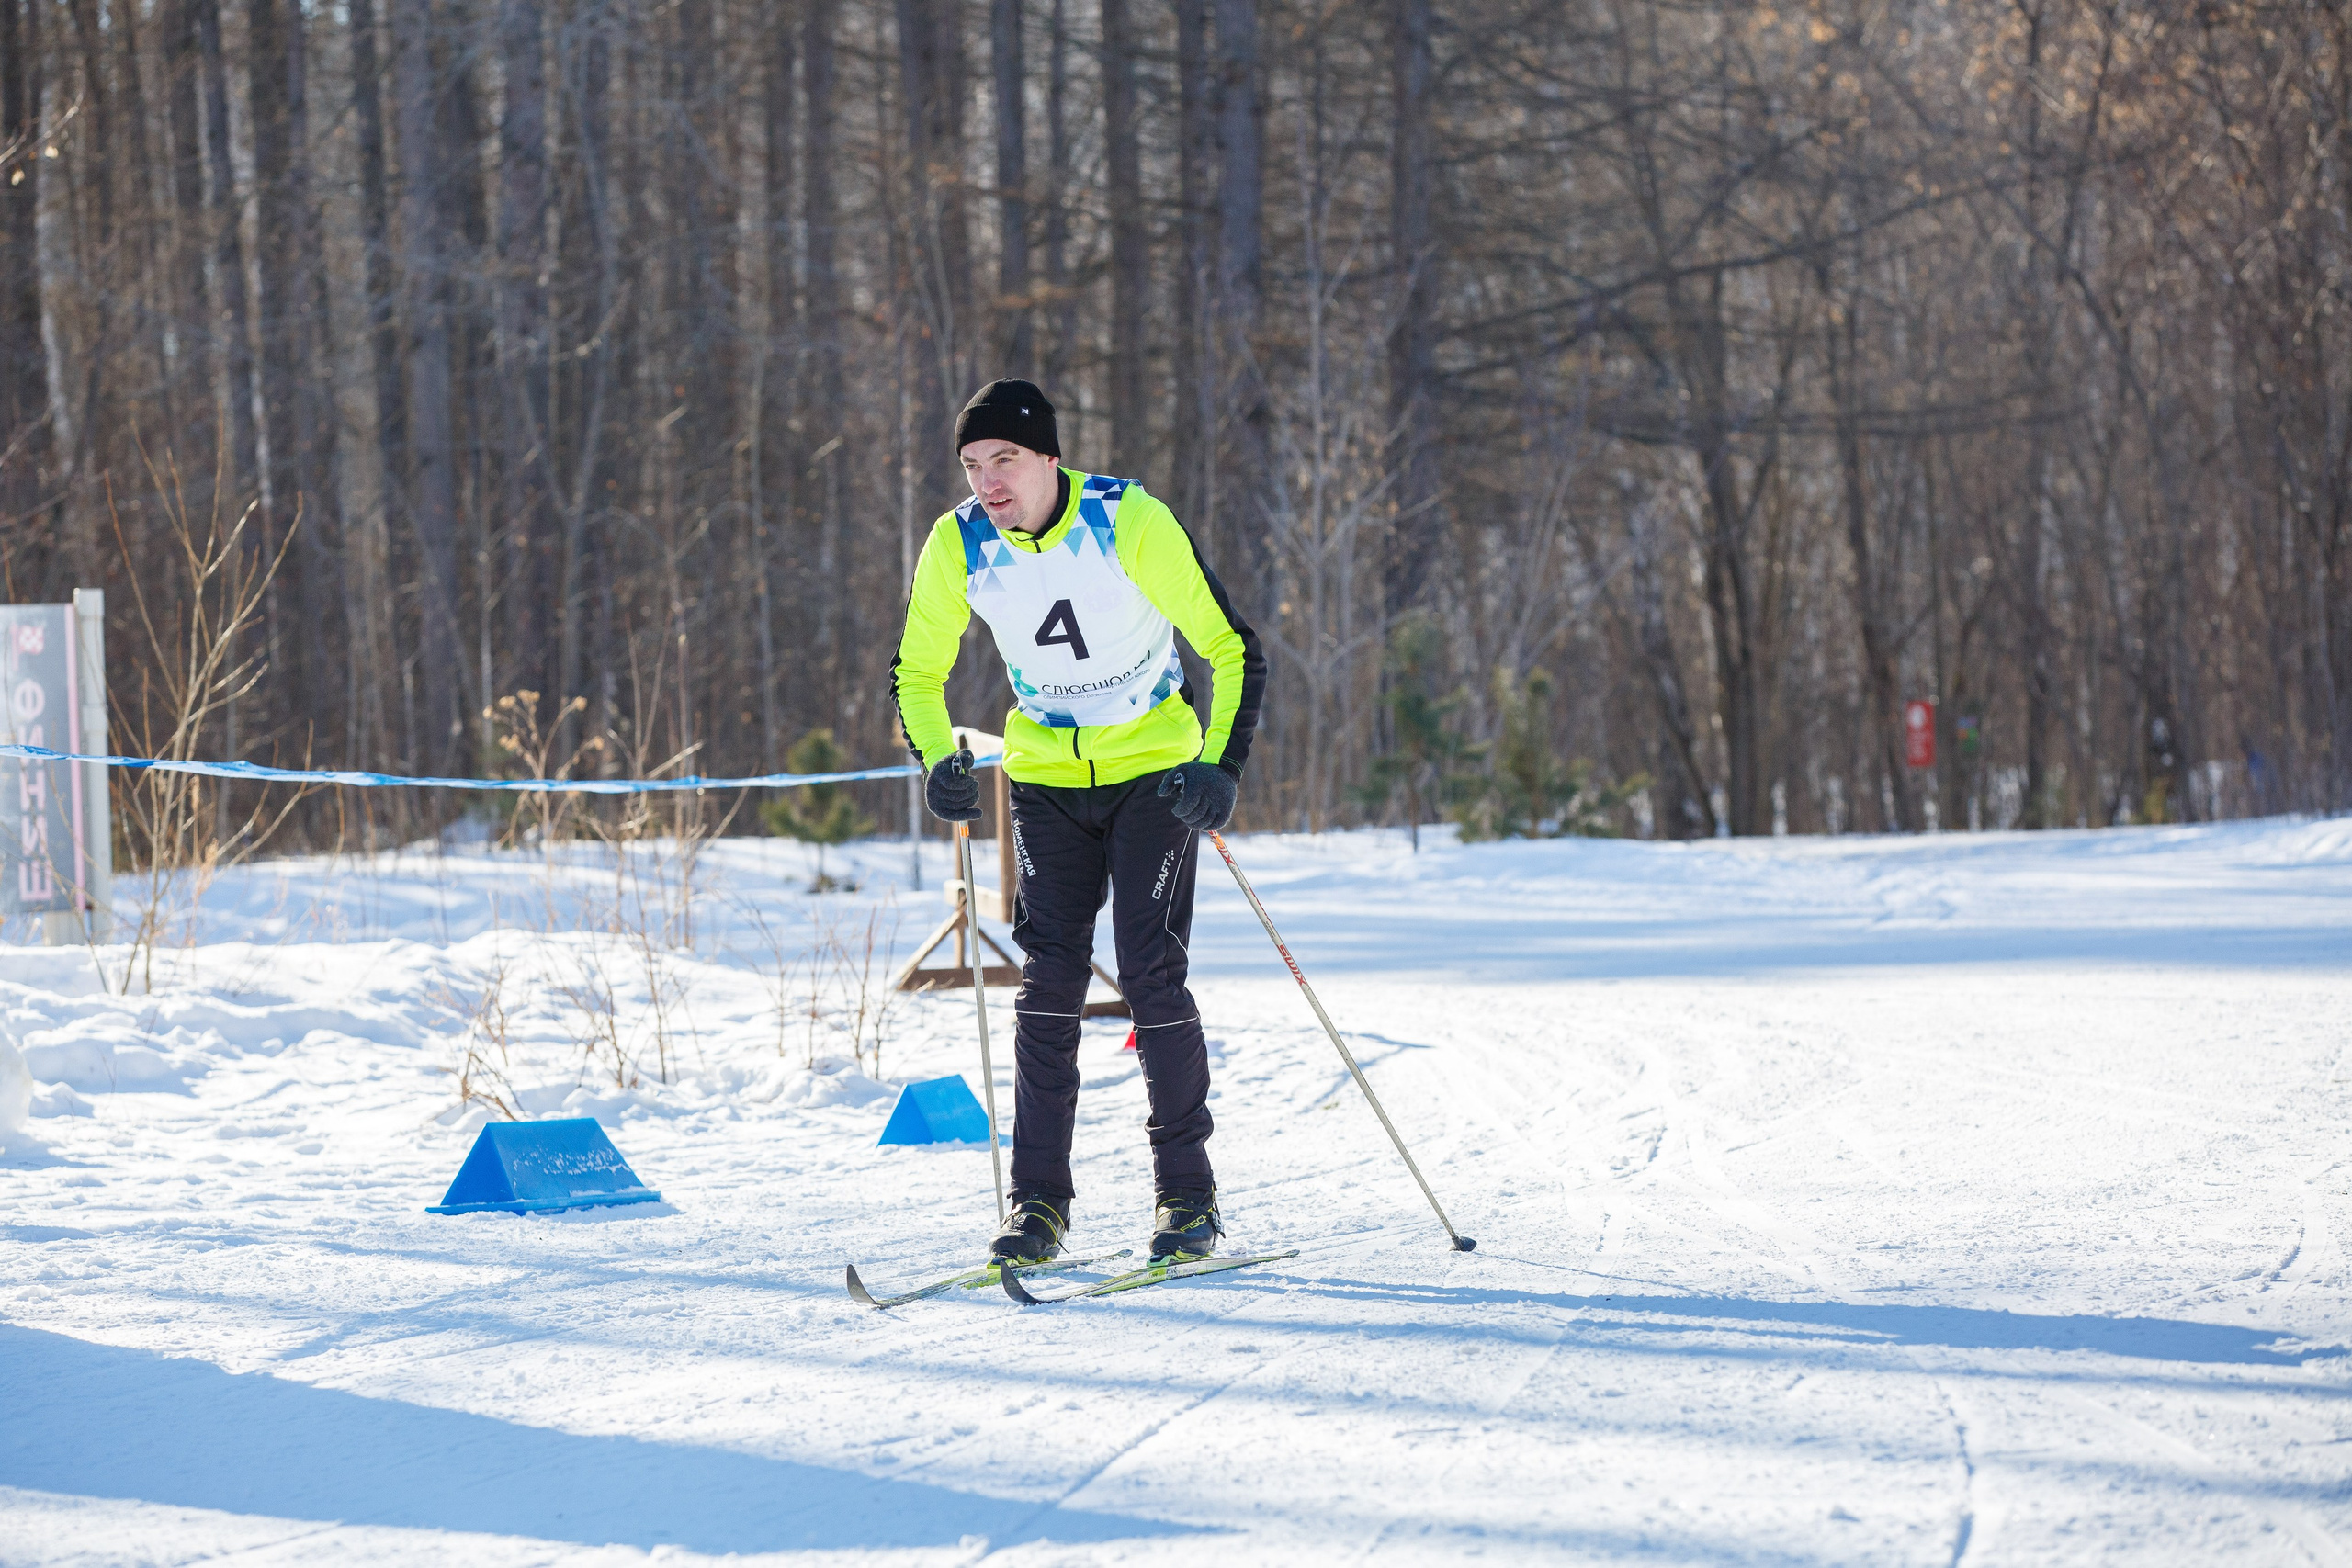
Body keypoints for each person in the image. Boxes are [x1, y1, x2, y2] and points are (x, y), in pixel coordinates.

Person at [890, 379, 1265, 1266]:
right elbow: (915, 671)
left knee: (1147, 969)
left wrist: (1219, 765)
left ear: (1050, 457)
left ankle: (1188, 1197)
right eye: (973, 465)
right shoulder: (959, 543)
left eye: (1005, 461)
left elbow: (1231, 644)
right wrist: (939, 759)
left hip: (1156, 773)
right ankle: (1038, 1206)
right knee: (1048, 981)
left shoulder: (1127, 520)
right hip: (1047, 779)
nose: (988, 482)